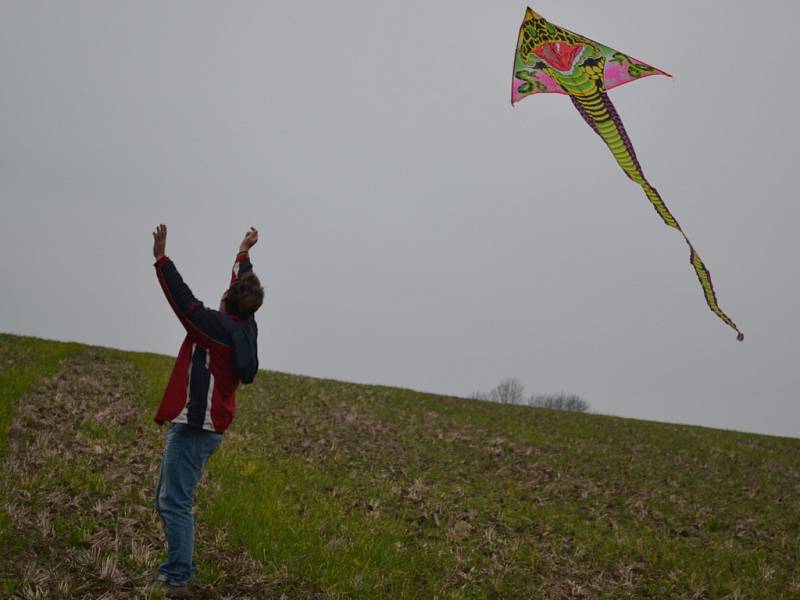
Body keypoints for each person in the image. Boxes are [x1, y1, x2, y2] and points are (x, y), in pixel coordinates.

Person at [150, 224, 264, 594]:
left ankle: (177, 577)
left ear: (227, 303)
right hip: (204, 427)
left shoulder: (214, 329)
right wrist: (243, 252)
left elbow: (183, 302)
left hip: (196, 428)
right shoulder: (246, 326)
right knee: (168, 500)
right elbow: (243, 285)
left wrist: (161, 259)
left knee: (175, 504)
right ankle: (177, 567)